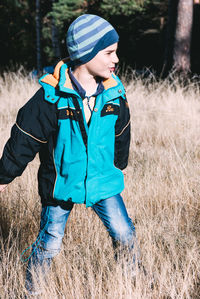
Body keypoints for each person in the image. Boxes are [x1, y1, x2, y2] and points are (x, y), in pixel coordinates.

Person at [0, 14, 139, 295]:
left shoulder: (114, 93)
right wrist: (3, 176)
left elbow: (121, 130)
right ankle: (33, 289)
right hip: (60, 184)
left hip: (102, 180)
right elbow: (24, 139)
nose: (116, 59)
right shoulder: (51, 98)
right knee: (50, 242)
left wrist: (119, 164)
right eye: (109, 52)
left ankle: (133, 279)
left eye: (116, 52)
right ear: (86, 54)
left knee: (125, 233)